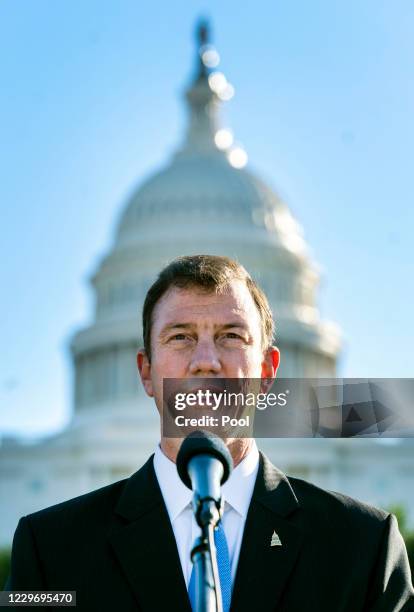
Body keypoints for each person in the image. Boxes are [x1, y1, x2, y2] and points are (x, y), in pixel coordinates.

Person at [6, 255, 414, 611]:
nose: (206, 362)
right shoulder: (51, 553)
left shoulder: (362, 547)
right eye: (180, 337)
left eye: (231, 336)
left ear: (267, 371)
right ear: (146, 371)